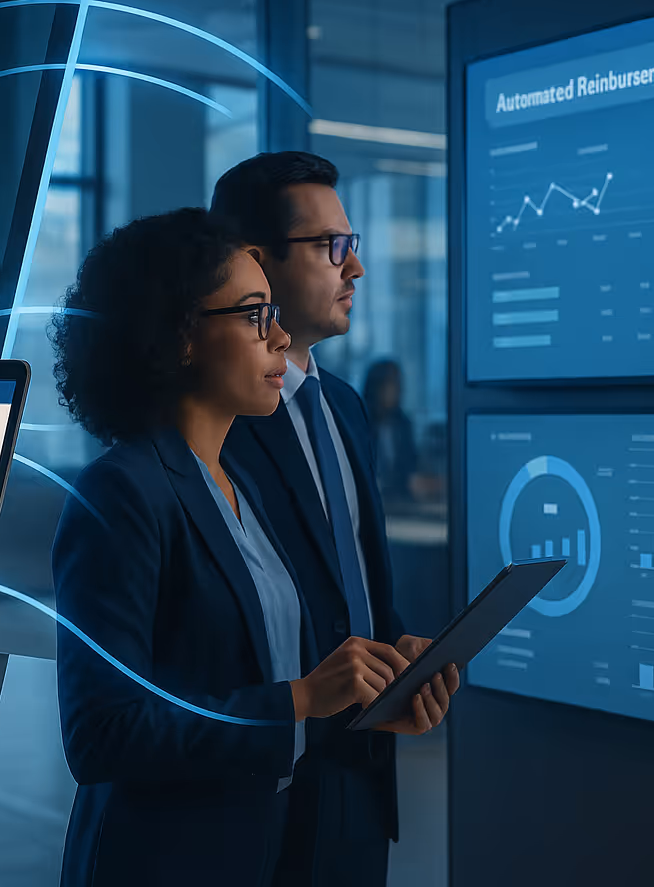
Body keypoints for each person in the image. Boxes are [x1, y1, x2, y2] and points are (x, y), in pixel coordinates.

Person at [47, 208, 453, 887]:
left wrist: (374, 696)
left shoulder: (235, 485)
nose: (283, 337)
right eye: (255, 314)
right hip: (160, 862)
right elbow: (102, 735)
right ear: (180, 336)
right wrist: (299, 696)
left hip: (254, 849)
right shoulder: (122, 494)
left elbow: (251, 684)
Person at [211, 151, 459, 887]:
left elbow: (349, 571)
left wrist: (397, 661)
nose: (354, 270)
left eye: (352, 247)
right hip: (263, 791)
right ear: (257, 262)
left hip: (361, 774)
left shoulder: (345, 407)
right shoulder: (212, 421)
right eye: (332, 248)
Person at [362, 359, 419, 504]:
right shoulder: (359, 422)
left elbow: (411, 467)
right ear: (376, 387)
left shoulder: (403, 424)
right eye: (391, 384)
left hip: (399, 503)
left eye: (398, 384)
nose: (397, 390)